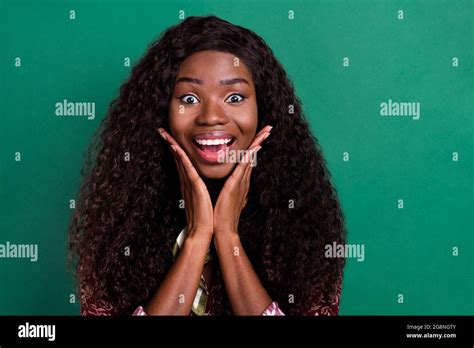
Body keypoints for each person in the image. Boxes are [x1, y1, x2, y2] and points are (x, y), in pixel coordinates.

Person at [69, 15, 346, 316]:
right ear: (162, 113)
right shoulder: (115, 233)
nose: (211, 117)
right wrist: (198, 236)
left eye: (235, 97)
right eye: (189, 98)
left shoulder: (307, 232)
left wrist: (227, 236)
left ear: (263, 111)